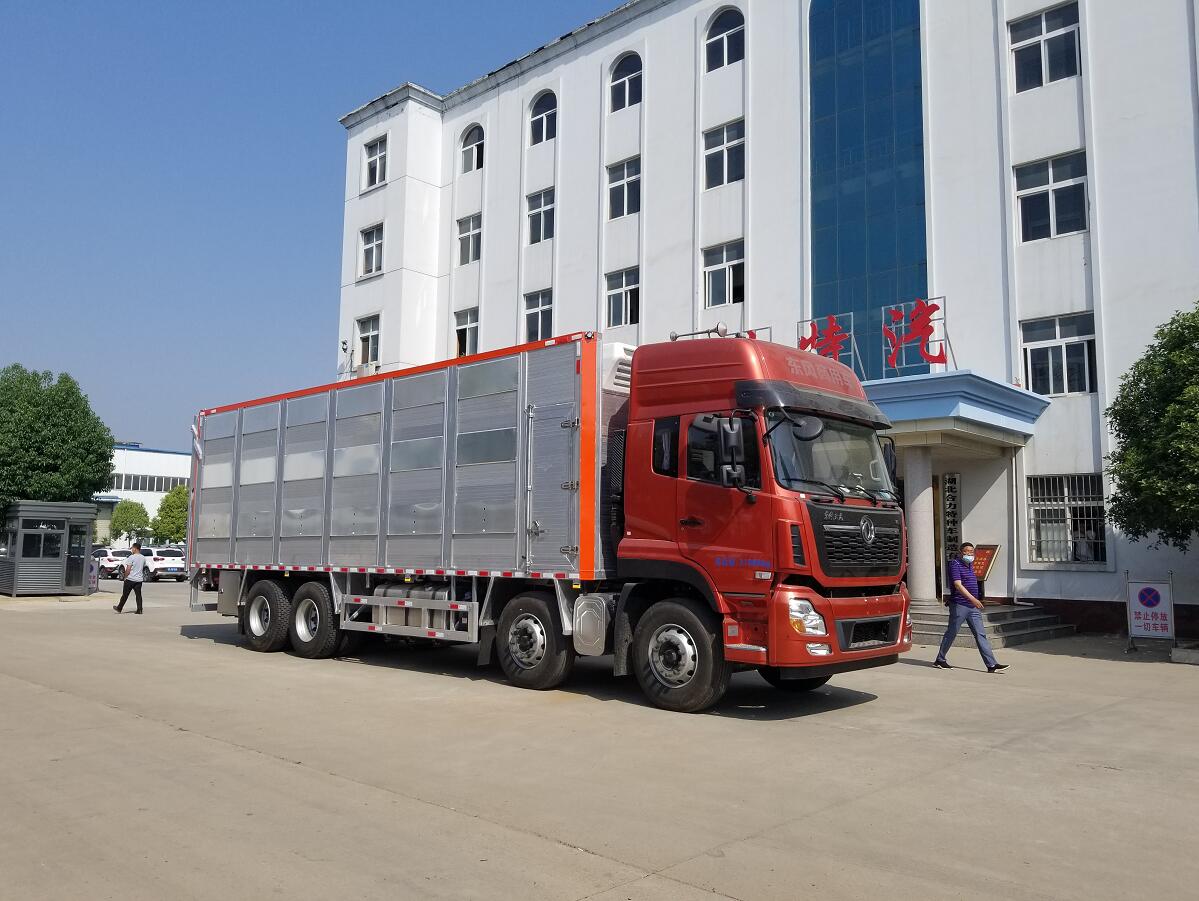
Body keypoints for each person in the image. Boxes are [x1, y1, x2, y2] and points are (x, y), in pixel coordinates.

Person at [933, 542, 1008, 673]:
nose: (969, 554)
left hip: (973, 607)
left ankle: (991, 664)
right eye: (966, 551)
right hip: (960, 604)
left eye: (971, 551)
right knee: (952, 632)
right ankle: (940, 659)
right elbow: (958, 585)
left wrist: (975, 600)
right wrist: (973, 599)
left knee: (980, 634)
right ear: (960, 552)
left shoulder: (970, 565)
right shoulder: (955, 564)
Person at [113, 542, 147, 615]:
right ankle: (139, 609)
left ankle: (119, 608)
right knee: (138, 595)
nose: (131, 550)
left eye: (132, 548)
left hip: (130, 579)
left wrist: (125, 577)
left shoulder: (131, 557)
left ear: (135, 548)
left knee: (125, 595)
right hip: (139, 580)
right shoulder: (143, 558)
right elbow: (143, 567)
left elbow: (128, 569)